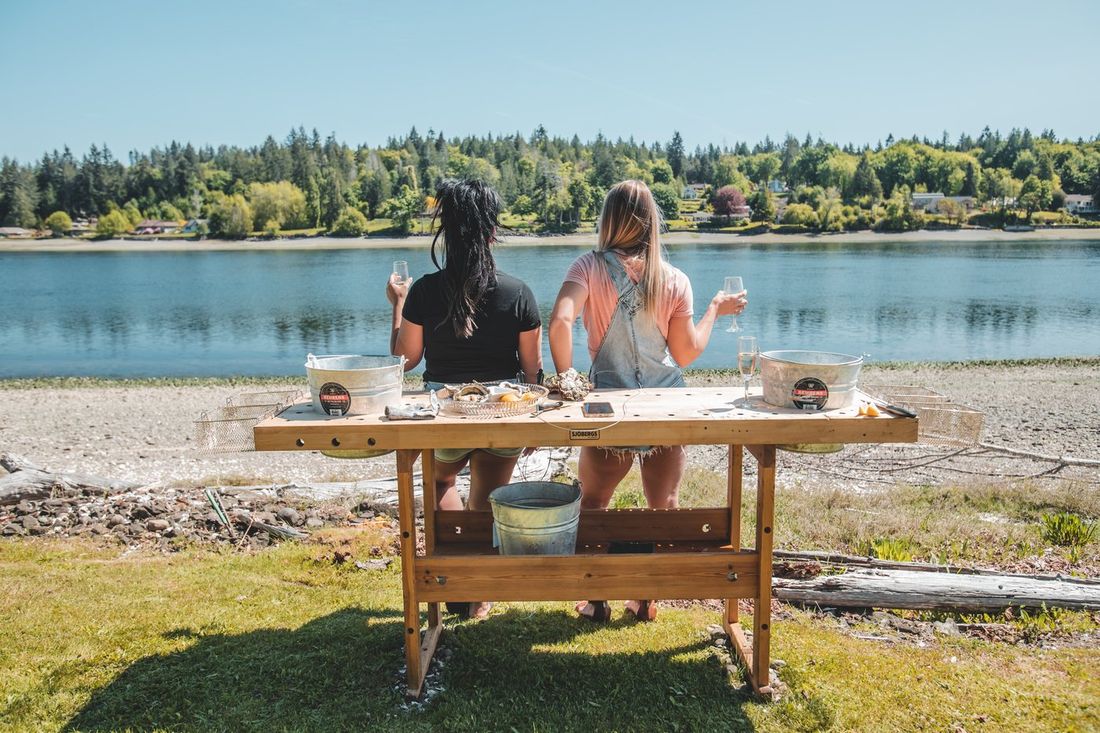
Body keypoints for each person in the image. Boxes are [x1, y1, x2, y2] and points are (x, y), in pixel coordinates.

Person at [548, 179, 745, 622]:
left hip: (607, 409)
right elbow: (687, 352)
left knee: (594, 505)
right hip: (665, 407)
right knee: (664, 506)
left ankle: (596, 599)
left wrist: (567, 379)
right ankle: (644, 598)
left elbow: (560, 322)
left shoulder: (588, 267)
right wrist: (716, 308)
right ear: (653, 223)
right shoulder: (673, 278)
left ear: (608, 220)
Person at [387, 179, 542, 619]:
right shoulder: (518, 293)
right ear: (492, 233)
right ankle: (476, 596)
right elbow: (532, 372)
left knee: (440, 483)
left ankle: (451, 578)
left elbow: (406, 361)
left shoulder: (425, 292)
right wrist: (533, 426)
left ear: (446, 233)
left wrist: (397, 304)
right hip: (504, 412)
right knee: (488, 499)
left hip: (445, 414)